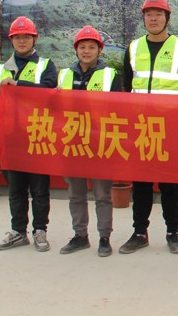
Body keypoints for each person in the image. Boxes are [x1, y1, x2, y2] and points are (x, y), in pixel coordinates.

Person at [119, 0, 178, 255]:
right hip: (141, 127)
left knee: (170, 184)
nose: (153, 19)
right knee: (141, 183)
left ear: (167, 18)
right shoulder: (133, 48)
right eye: (149, 15)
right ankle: (139, 232)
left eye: (158, 14)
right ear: (143, 18)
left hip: (170, 128)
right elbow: (127, 87)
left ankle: (173, 232)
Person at [0, 16, 58, 251]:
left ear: (34, 39)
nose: (22, 41)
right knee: (15, 189)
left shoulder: (46, 65)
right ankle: (18, 231)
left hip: (38, 135)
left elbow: (49, 92)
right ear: (12, 40)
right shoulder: (0, 70)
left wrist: (19, 86)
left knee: (39, 189)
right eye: (17, 37)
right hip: (11, 138)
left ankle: (40, 231)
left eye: (26, 37)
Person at [57, 26, 122, 258]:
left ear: (99, 50)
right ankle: (80, 236)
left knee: (102, 195)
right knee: (76, 194)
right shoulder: (64, 75)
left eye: (91, 47)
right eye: (82, 47)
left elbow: (119, 110)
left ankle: (104, 238)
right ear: (76, 50)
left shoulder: (110, 75)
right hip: (72, 142)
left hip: (100, 143)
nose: (86, 51)